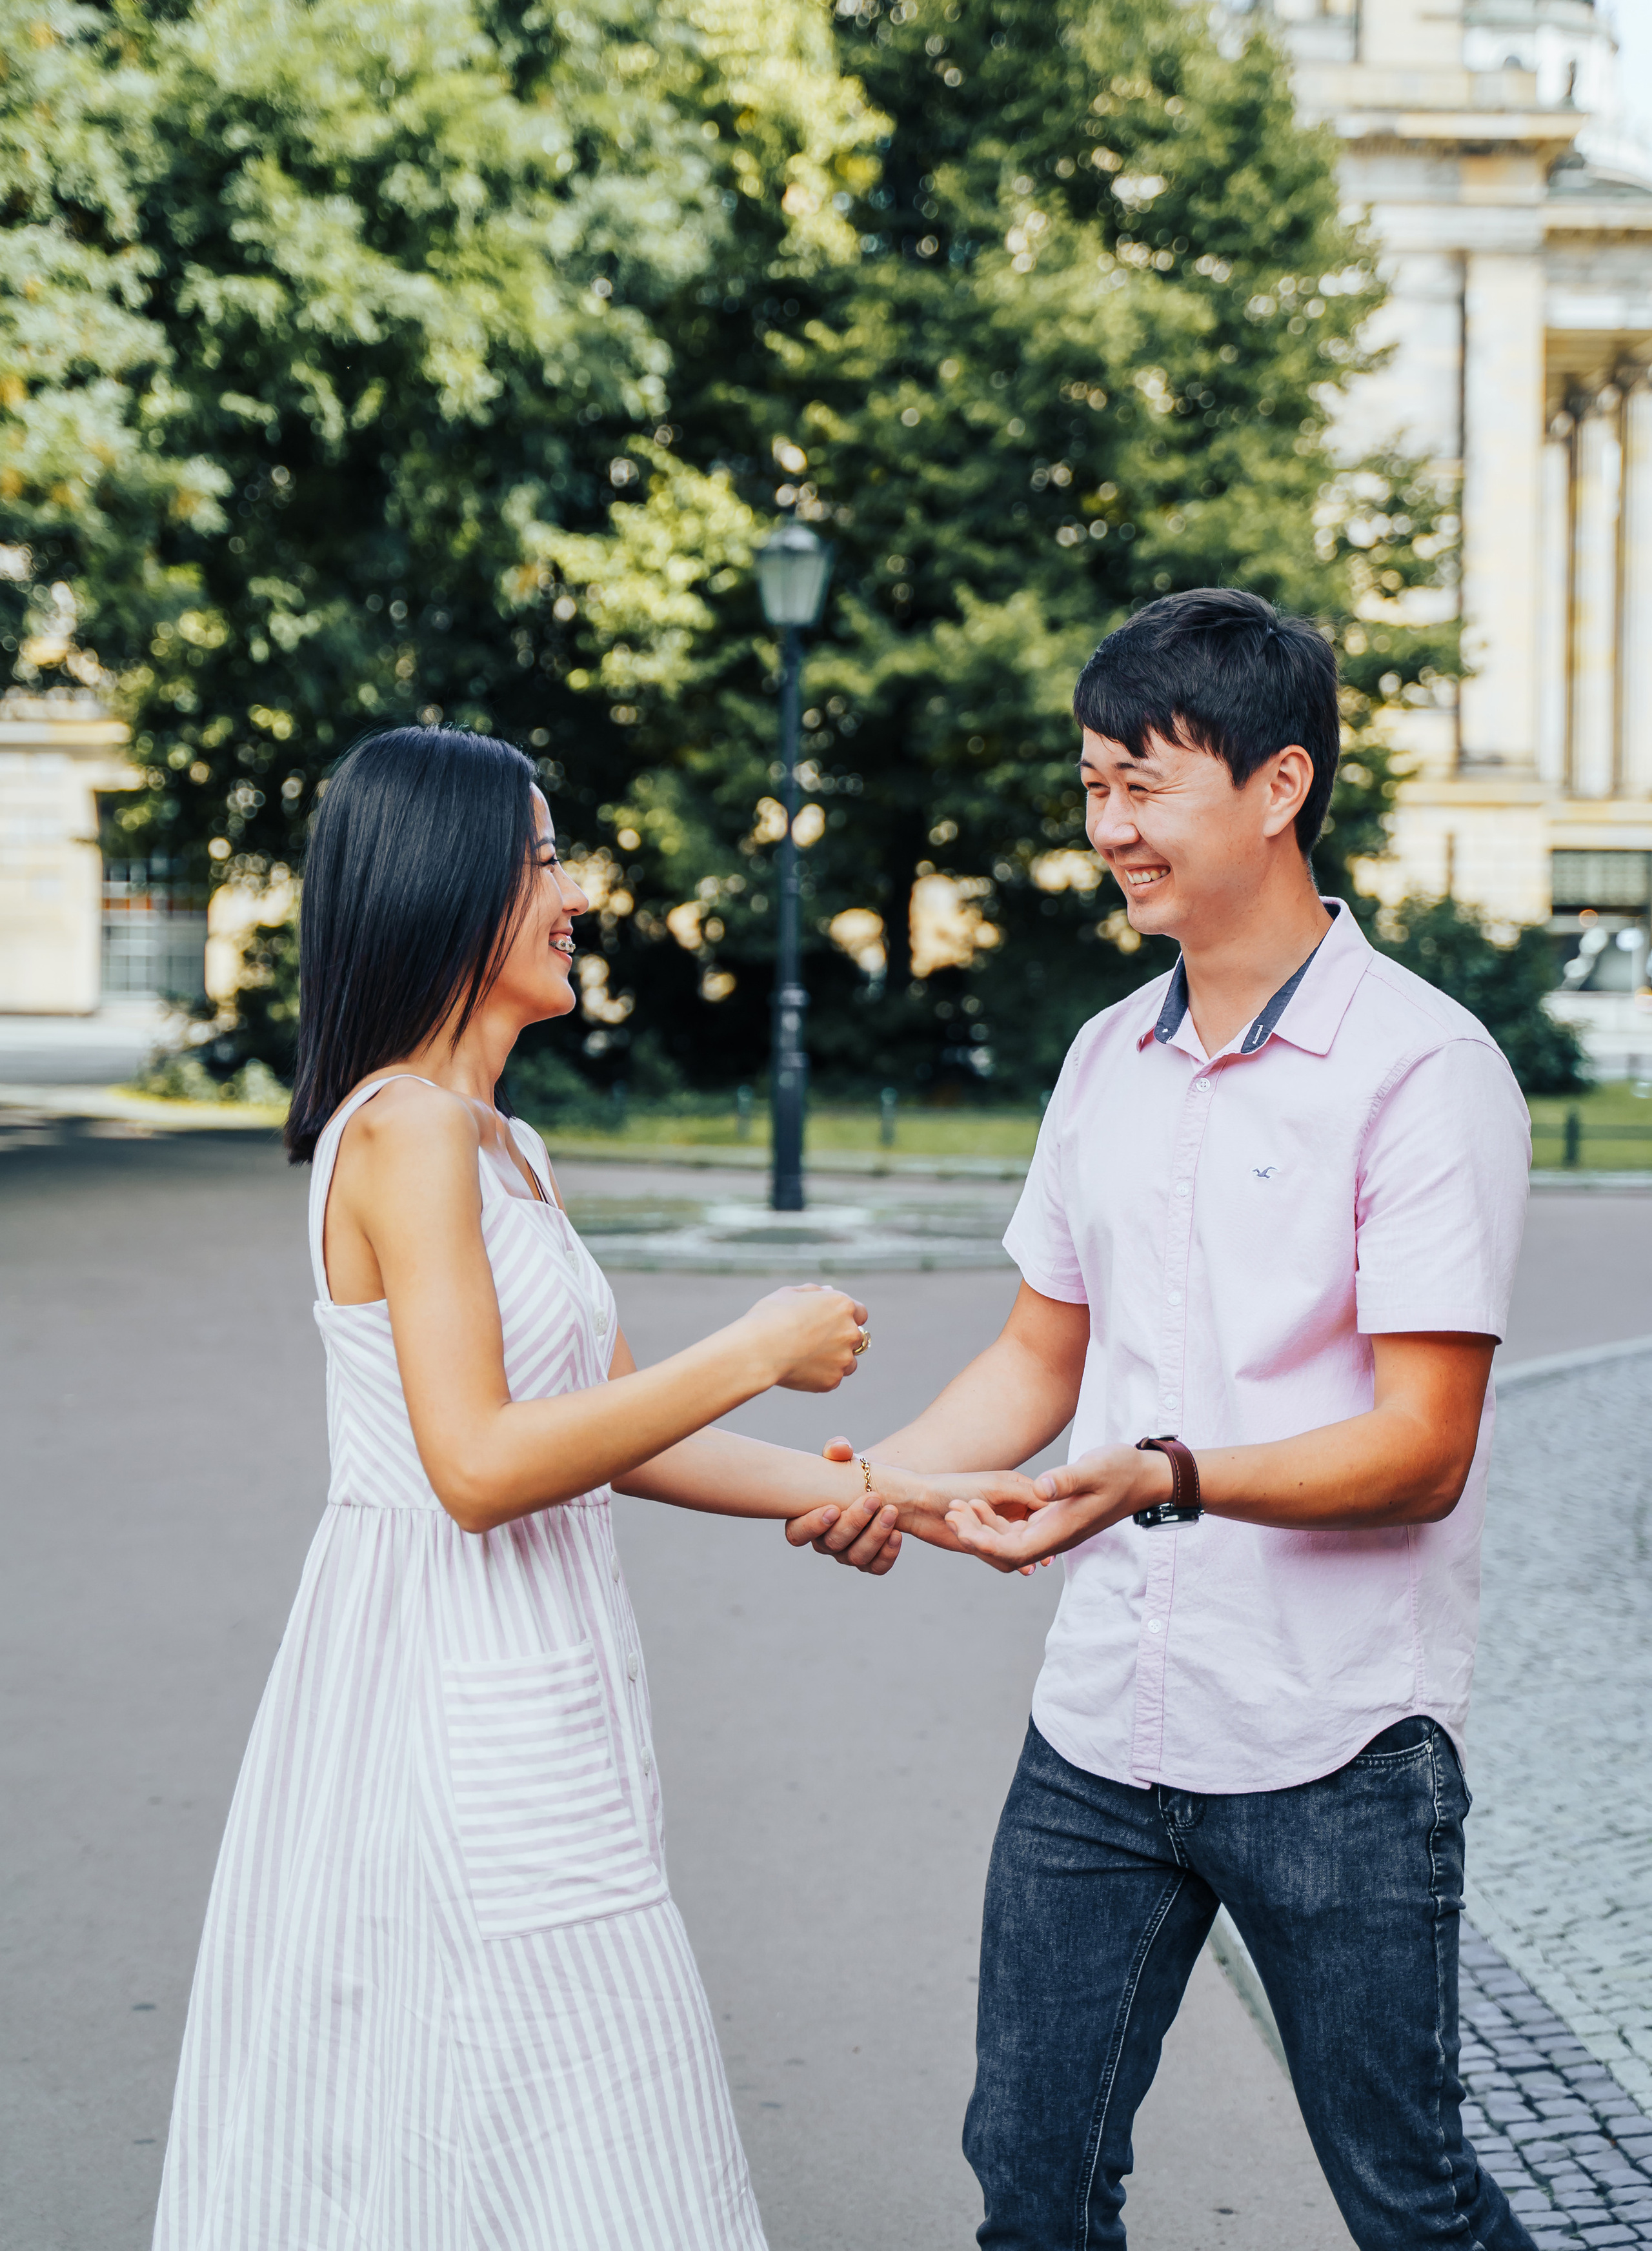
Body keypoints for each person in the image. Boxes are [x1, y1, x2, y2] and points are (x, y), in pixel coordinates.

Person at [154, 723, 1041, 2251]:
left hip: (539, 1674)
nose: (578, 892)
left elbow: (622, 1434)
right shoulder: (404, 1134)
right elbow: (481, 1464)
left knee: (505, 2097)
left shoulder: (507, 1146)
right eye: (545, 857)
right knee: (577, 2088)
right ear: (450, 886)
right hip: (442, 1684)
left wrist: (904, 1490)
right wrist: (757, 1344)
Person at [787, 588, 1535, 2251]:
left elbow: (1422, 1445)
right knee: (1030, 2182)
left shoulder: (1421, 1069)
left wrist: (1158, 1481)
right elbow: (1037, 1361)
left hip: (1336, 1743)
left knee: (1405, 2202)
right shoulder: (1104, 1058)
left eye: (1141, 785)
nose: (1105, 828)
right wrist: (878, 1483)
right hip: (1103, 1729)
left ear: (1276, 787)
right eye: (1089, 786)